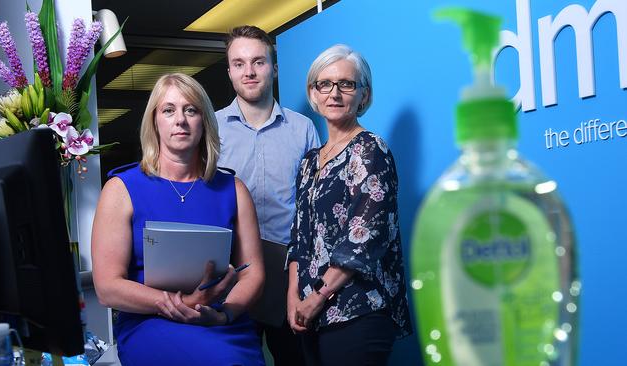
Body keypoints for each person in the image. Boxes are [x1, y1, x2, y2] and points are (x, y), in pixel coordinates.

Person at [91, 73, 266, 366]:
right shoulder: (121, 189)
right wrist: (178, 304)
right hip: (150, 322)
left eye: (191, 110)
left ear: (204, 122)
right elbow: (108, 286)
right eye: (168, 110)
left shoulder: (234, 190)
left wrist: (225, 314)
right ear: (155, 122)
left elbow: (253, 273)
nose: (180, 120)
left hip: (219, 322)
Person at [286, 44, 413, 366]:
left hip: (359, 310)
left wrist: (317, 297)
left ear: (364, 95)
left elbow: (364, 238)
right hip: (310, 314)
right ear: (313, 93)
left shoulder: (371, 150)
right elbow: (298, 238)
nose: (335, 93)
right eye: (324, 84)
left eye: (346, 84)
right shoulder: (309, 161)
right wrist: (293, 299)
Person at [215, 25, 320, 366]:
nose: (249, 71)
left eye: (258, 62)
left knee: (295, 360)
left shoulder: (303, 128)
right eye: (239, 63)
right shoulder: (210, 128)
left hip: (287, 272)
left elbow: (313, 206)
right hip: (229, 270)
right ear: (229, 71)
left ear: (274, 68)